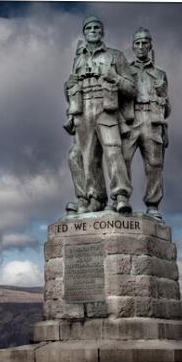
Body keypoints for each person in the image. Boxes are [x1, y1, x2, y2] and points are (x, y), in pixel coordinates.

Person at [64, 15, 136, 214]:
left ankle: (121, 196)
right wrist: (67, 87)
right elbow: (71, 89)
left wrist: (114, 78)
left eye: (97, 28)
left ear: (102, 32)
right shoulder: (78, 59)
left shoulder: (115, 56)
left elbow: (132, 88)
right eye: (89, 28)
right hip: (83, 110)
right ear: (84, 32)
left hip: (106, 109)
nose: (93, 31)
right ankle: (95, 198)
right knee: (86, 157)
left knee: (113, 151)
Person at [121, 27, 171, 222]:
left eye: (144, 43)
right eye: (137, 43)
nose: (141, 46)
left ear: (150, 45)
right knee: (122, 159)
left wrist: (162, 93)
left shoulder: (160, 74)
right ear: (133, 46)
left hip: (152, 120)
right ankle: (122, 198)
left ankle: (153, 205)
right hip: (131, 119)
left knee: (154, 165)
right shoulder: (126, 70)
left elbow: (167, 109)